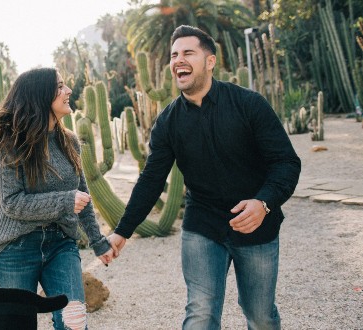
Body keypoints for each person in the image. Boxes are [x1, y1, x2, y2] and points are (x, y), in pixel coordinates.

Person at [108, 25, 301, 329]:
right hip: (203, 225)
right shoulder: (168, 122)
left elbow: (286, 162)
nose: (178, 60)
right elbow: (151, 180)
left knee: (260, 315)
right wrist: (123, 231)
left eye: (188, 53)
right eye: (174, 55)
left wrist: (263, 203)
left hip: (256, 223)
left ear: (210, 62)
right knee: (201, 312)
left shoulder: (249, 105)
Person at [0, 67, 114, 330]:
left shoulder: (69, 141)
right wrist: (64, 201)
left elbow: (81, 195)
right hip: (16, 248)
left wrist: (98, 242)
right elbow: (12, 203)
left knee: (73, 324)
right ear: (41, 96)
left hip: (60, 245)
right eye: (60, 86)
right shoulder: (11, 144)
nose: (68, 91)